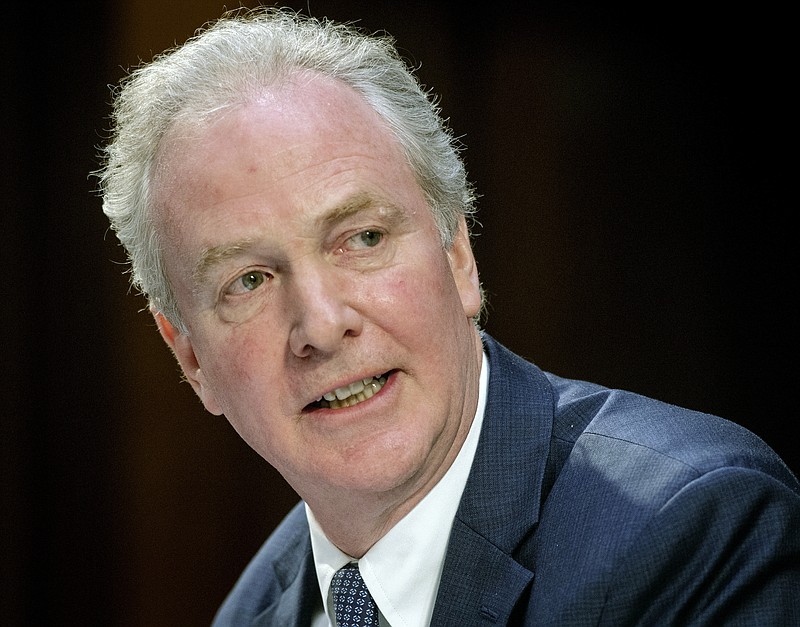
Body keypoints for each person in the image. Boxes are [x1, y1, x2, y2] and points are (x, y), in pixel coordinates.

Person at [96, 7, 800, 626]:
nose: (320, 323)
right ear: (190, 358)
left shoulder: (691, 527)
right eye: (248, 279)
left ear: (458, 255)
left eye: (363, 238)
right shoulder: (251, 614)